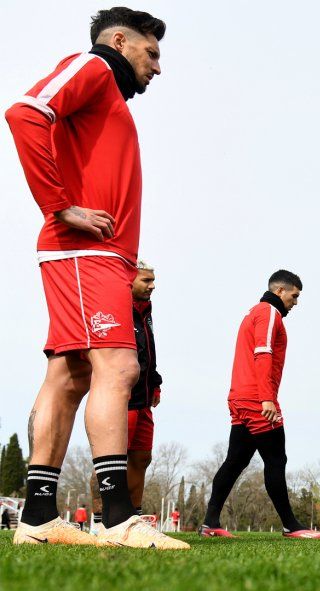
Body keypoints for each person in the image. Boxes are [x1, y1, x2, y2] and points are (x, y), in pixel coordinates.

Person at [5, 7, 186, 549]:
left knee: (71, 375)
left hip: (94, 256)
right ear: (119, 40)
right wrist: (60, 207)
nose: (157, 67)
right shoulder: (94, 67)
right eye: (151, 53)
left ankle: (36, 519)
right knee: (118, 364)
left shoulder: (107, 93)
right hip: (85, 252)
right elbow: (23, 112)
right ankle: (116, 518)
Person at [198, 270, 320, 540]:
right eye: (294, 295)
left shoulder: (256, 312)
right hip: (256, 399)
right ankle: (291, 526)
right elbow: (263, 352)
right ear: (280, 291)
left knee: (235, 461)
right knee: (276, 458)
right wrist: (267, 397)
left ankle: (210, 523)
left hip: (240, 397)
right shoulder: (268, 312)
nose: (296, 302)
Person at [90, 260, 162, 531]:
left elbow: (148, 349)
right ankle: (100, 522)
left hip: (144, 399)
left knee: (142, 457)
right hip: (121, 398)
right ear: (128, 280)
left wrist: (155, 382)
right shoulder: (115, 308)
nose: (152, 286)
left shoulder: (146, 309)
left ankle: (134, 518)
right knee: (111, 458)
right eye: (146, 280)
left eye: (153, 280)